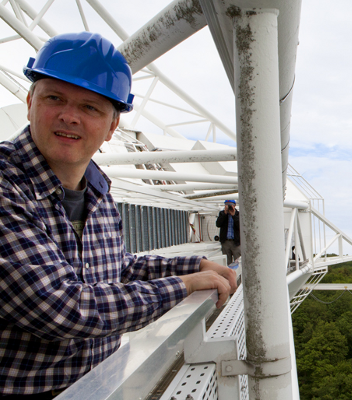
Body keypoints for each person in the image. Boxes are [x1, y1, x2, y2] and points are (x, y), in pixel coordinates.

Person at [0, 32, 236, 398]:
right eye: (54, 98)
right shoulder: (6, 184)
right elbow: (62, 308)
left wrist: (192, 265)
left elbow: (114, 270)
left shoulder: (97, 190)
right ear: (30, 101)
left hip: (103, 382)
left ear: (111, 128)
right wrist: (183, 286)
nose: (69, 116)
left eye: (90, 108)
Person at [216, 200, 241, 265]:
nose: (229, 207)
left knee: (238, 262)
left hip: (236, 242)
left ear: (234, 206)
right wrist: (225, 213)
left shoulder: (238, 214)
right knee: (227, 263)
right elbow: (218, 224)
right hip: (226, 242)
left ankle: (238, 275)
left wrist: (234, 215)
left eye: (230, 205)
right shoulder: (222, 214)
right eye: (227, 205)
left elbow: (240, 226)